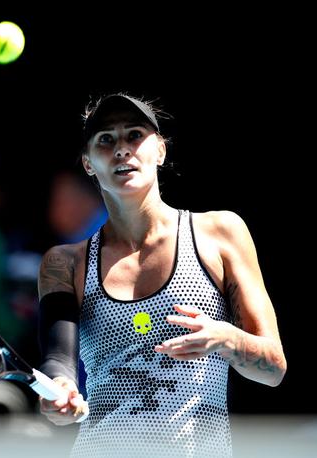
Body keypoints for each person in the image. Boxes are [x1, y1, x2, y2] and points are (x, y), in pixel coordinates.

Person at [37, 94, 287, 457]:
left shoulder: (220, 232)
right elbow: (59, 359)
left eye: (135, 135)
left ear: (161, 151)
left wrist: (225, 338)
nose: (122, 149)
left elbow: (273, 367)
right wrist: (60, 391)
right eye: (105, 139)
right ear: (89, 164)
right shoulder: (64, 263)